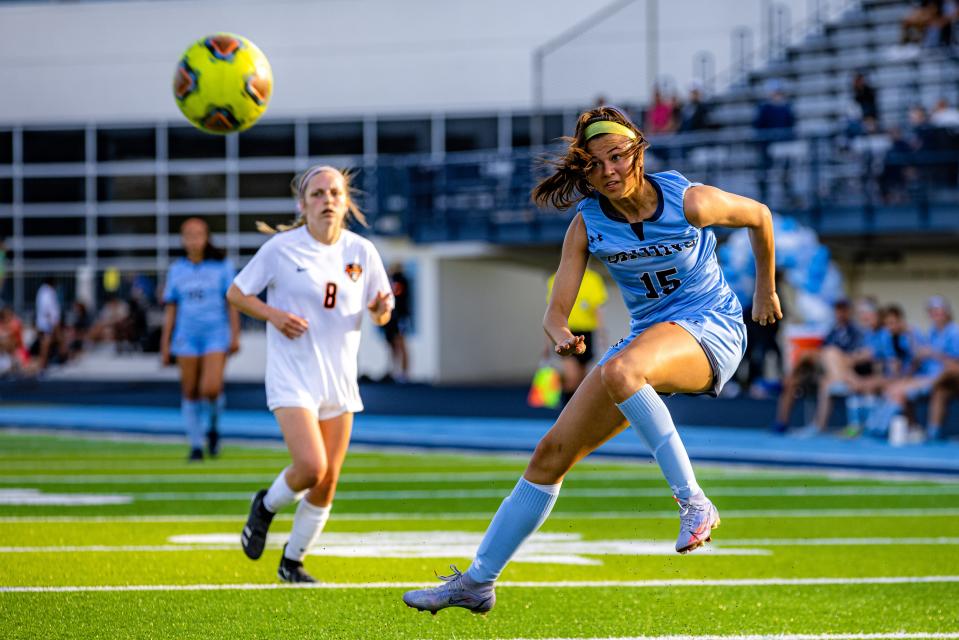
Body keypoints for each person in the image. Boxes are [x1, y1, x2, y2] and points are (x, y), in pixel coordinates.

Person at [402, 106, 780, 614]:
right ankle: (477, 582)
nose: (609, 171)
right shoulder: (588, 223)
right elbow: (556, 312)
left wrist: (765, 291)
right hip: (650, 339)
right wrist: (560, 336)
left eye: (618, 157)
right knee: (549, 456)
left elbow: (761, 216)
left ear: (638, 152)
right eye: (595, 165)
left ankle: (694, 502)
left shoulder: (690, 201)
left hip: (712, 327)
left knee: (621, 369)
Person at [228, 165, 393, 583]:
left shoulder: (362, 251)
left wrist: (379, 309)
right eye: (317, 194)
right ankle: (264, 507)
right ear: (302, 205)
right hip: (293, 376)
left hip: (338, 379)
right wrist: (274, 314)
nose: (327, 200)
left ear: (346, 201)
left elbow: (383, 309)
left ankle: (293, 562)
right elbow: (237, 292)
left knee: (327, 482)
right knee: (310, 467)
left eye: (334, 192)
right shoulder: (282, 249)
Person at [160, 218, 240, 461]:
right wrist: (165, 343)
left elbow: (233, 303)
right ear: (183, 240)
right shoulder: (177, 270)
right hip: (186, 336)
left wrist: (235, 335)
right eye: (189, 235)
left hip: (216, 334)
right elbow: (171, 309)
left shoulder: (222, 267)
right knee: (190, 391)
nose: (194, 239)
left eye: (198, 234)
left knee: (211, 388)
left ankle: (213, 427)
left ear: (207, 237)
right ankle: (196, 445)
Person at [545, 266, 607, 405]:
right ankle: (565, 411)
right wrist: (547, 341)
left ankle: (576, 411)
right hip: (564, 330)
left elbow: (597, 309)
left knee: (581, 379)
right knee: (572, 377)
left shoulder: (593, 279)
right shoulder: (556, 278)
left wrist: (601, 333)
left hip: (586, 333)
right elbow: (551, 312)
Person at [381, 263, 411, 382]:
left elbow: (397, 294)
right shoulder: (389, 280)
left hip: (400, 317)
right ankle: (394, 370)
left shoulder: (401, 280)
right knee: (391, 344)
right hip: (391, 318)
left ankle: (404, 372)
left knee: (401, 342)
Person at [32, 276, 61, 372]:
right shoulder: (47, 292)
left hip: (44, 323)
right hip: (47, 324)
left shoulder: (42, 291)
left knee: (45, 345)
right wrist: (54, 323)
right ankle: (42, 366)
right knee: (45, 346)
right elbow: (48, 309)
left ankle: (44, 364)